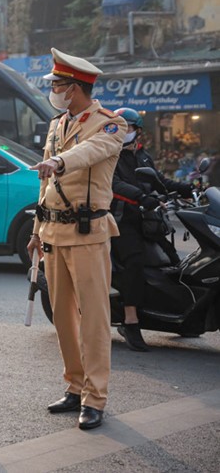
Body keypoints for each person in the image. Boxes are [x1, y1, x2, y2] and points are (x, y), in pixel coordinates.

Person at [26, 48, 126, 431]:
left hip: (88, 234)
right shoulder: (57, 124)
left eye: (58, 85)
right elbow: (45, 184)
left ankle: (95, 398)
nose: (53, 90)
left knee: (94, 319)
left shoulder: (111, 125)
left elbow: (90, 152)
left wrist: (59, 161)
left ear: (75, 88)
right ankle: (74, 385)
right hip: (52, 232)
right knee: (64, 319)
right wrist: (36, 232)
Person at [110, 108, 193, 352]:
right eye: (121, 128)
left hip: (147, 220)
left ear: (137, 132)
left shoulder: (142, 156)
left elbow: (159, 181)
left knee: (173, 260)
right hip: (121, 222)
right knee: (135, 262)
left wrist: (188, 188)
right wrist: (141, 197)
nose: (125, 132)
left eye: (130, 128)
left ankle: (180, 314)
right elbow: (114, 184)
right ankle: (130, 320)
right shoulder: (109, 154)